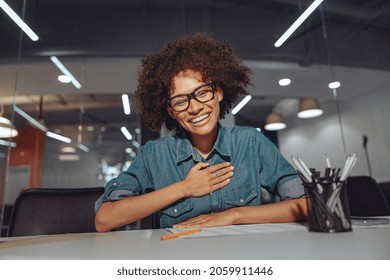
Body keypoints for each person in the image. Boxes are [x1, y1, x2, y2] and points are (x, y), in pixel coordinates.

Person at [94, 32, 307, 232]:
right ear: (171, 111)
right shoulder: (155, 154)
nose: (194, 108)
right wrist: (184, 188)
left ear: (218, 93)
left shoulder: (250, 142)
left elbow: (308, 204)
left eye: (202, 93)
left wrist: (234, 215)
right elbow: (104, 219)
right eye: (180, 101)